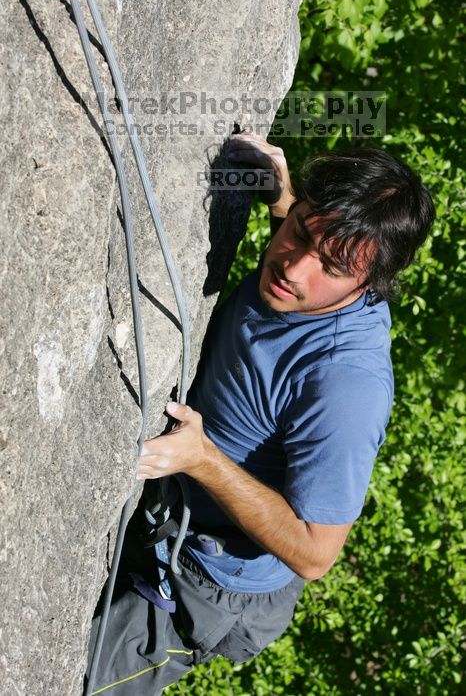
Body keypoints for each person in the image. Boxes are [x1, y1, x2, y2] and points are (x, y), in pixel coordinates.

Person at [85, 133, 435, 694]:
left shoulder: (346, 382)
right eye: (300, 229)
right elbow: (310, 250)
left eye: (332, 265)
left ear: (370, 285)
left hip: (208, 582)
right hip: (174, 508)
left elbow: (316, 554)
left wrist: (201, 460)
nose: (294, 268)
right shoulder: (305, 260)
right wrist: (281, 197)